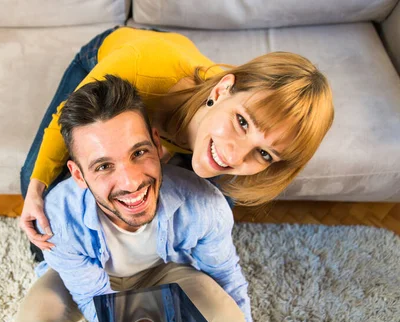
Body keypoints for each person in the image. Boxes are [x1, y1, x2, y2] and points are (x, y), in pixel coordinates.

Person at [11, 75, 256, 322]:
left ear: (157, 144)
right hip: (92, 276)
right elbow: (94, 304)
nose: (130, 182)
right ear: (78, 175)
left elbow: (226, 274)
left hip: (164, 268)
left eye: (139, 152)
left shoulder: (205, 205)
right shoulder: (58, 216)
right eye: (103, 166)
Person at [19, 26, 334, 254]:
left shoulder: (223, 140)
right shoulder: (138, 70)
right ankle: (47, 263)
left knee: (215, 197)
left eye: (264, 154)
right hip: (116, 53)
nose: (235, 157)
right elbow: (66, 124)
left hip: (176, 65)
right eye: (241, 122)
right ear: (222, 90)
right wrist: (35, 191)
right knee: (36, 178)